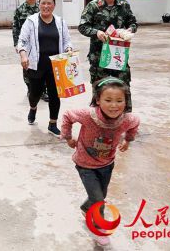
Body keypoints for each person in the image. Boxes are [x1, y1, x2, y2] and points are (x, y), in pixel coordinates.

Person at [61, 77, 139, 247]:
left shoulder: (126, 119)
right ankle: (99, 229)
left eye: (120, 100)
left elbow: (135, 123)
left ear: (126, 101)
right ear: (98, 100)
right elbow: (67, 115)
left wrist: (128, 140)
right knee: (98, 200)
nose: (114, 105)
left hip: (107, 164)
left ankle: (85, 208)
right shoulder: (88, 115)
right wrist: (67, 137)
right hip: (85, 164)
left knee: (99, 196)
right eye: (108, 100)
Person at [78, 0, 138, 112]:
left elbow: (133, 23)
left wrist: (130, 30)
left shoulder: (124, 6)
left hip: (119, 55)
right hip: (99, 56)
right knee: (100, 89)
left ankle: (126, 120)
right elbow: (82, 26)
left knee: (123, 86)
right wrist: (96, 33)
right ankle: (97, 121)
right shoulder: (93, 6)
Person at [17, 0, 72, 137]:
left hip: (56, 65)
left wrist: (69, 49)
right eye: (43, 3)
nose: (46, 6)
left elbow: (67, 40)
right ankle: (33, 107)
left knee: (55, 95)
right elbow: (21, 41)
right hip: (37, 64)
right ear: (39, 5)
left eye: (49, 3)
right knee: (35, 93)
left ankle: (52, 124)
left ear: (54, 5)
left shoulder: (60, 22)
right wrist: (23, 55)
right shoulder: (31, 21)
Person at [12, 0, 47, 100]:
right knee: (27, 67)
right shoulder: (20, 10)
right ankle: (30, 89)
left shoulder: (42, 8)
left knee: (43, 66)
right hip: (26, 45)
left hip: (42, 43)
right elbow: (16, 27)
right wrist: (17, 44)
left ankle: (43, 91)